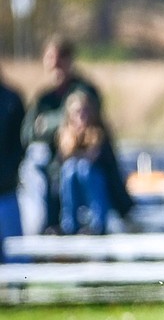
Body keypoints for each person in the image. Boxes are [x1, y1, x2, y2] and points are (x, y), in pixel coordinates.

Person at [21, 35, 133, 232]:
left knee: (80, 170)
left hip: (90, 159)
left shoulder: (85, 88)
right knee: (41, 164)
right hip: (56, 160)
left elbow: (87, 119)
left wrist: (47, 123)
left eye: (59, 59)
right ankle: (52, 224)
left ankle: (98, 224)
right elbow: (28, 132)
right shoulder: (44, 98)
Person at [55, 89, 113, 235]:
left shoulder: (97, 132)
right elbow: (65, 156)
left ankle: (97, 224)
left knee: (84, 169)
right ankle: (69, 224)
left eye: (84, 111)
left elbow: (93, 156)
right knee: (69, 170)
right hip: (74, 184)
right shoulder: (65, 133)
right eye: (77, 112)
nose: (81, 116)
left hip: (94, 182)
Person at [0, 66, 25, 259]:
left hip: (6, 191)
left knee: (16, 257)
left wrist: (9, 173)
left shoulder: (12, 100)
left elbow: (21, 144)